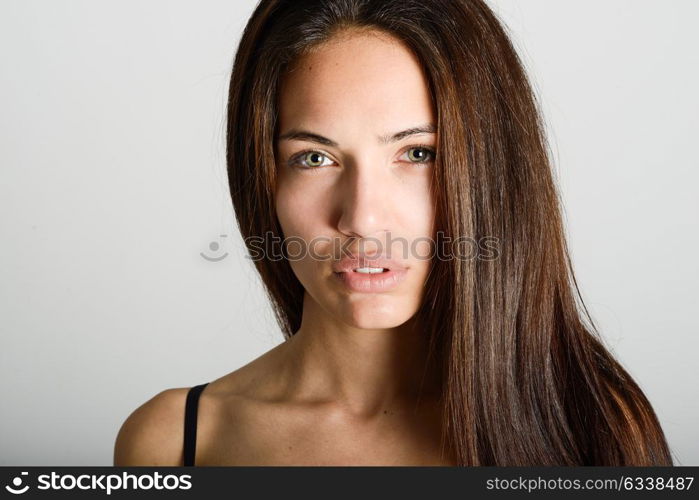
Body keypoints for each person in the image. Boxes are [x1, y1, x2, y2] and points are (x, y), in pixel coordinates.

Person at [114, 0, 674, 466]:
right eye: (314, 157)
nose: (362, 218)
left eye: (417, 153)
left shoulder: (594, 430)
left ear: (492, 172)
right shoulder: (172, 443)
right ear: (262, 181)